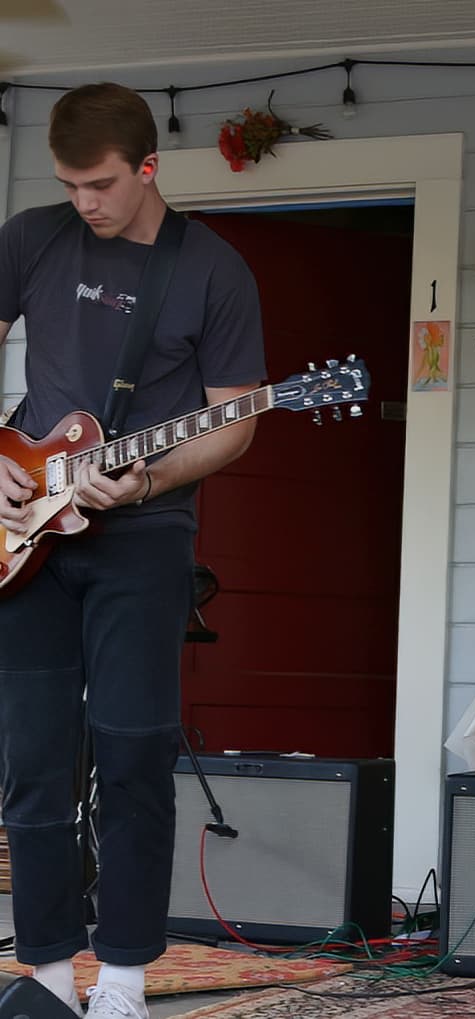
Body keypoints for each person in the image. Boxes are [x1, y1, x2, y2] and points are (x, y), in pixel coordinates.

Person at [0, 83, 266, 1017]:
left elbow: (236, 419)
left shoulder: (213, 270)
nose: (85, 202)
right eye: (70, 185)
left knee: (132, 752)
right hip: (25, 534)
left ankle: (122, 976)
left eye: (102, 184)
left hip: (143, 539)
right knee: (32, 757)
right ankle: (43, 971)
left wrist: (148, 481)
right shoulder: (30, 238)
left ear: (148, 167)